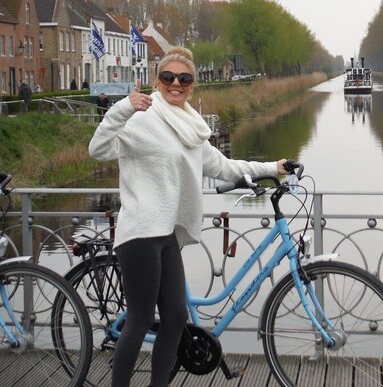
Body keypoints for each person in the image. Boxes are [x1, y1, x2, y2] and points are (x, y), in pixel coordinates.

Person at [89, 46, 289, 387]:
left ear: (193, 85)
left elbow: (225, 167)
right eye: (168, 77)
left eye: (184, 78)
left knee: (176, 317)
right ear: (157, 80)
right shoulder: (143, 118)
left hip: (166, 233)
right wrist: (123, 108)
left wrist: (273, 167)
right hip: (139, 233)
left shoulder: (193, 127)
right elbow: (98, 149)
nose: (175, 84)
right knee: (138, 320)